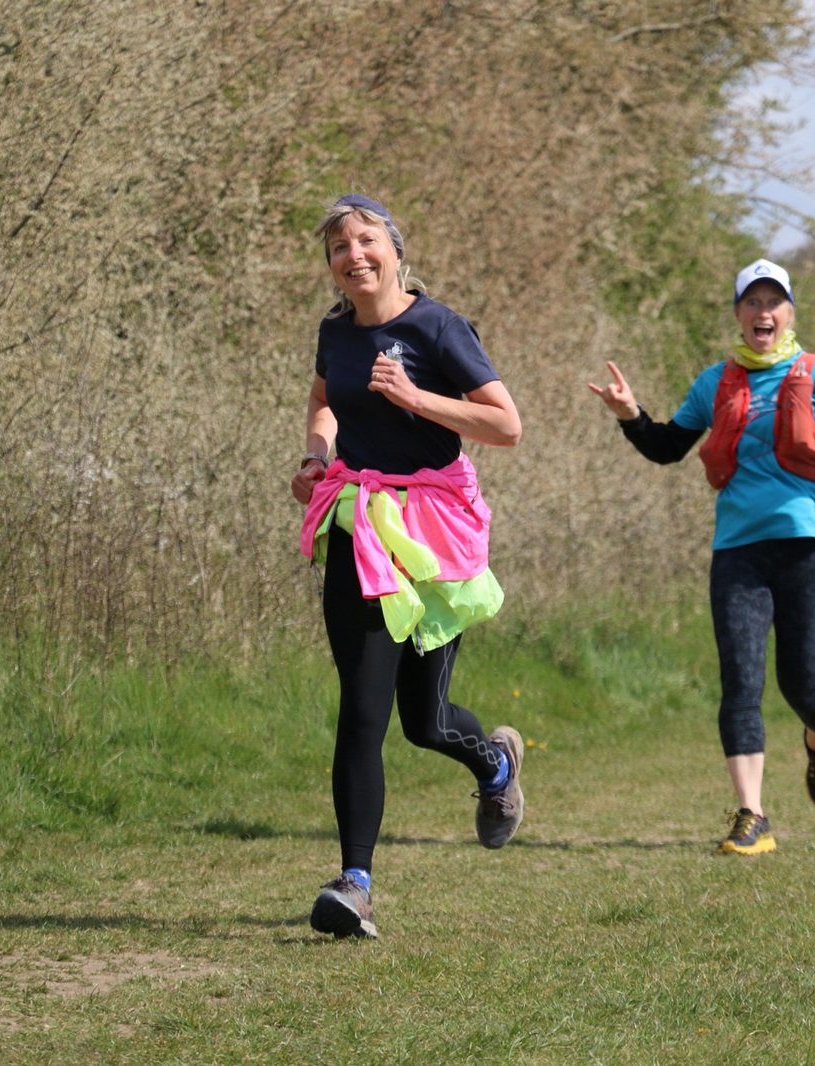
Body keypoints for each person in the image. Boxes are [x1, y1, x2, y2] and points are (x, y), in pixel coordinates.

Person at [587, 258, 815, 855]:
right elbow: (666, 448)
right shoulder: (714, 383)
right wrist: (631, 415)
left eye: (773, 302)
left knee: (802, 682)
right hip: (737, 553)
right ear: (738, 313)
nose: (763, 312)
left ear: (789, 313)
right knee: (740, 683)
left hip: (809, 548)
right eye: (752, 302)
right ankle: (751, 815)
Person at [293, 192, 525, 938]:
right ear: (330, 267)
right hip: (361, 524)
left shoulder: (439, 327)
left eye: (365, 240)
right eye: (338, 247)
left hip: (433, 531)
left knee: (421, 721)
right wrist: (316, 455)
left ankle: (495, 765)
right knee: (362, 712)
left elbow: (504, 424)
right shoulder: (335, 333)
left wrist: (418, 398)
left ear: (395, 249)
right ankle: (354, 883)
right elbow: (325, 401)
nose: (353, 255)